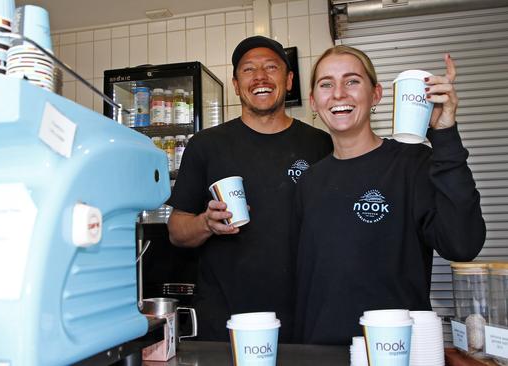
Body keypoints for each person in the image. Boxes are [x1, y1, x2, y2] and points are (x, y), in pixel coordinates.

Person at [291, 45, 486, 345]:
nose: (339, 93)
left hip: (397, 350)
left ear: (376, 95)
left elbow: (462, 244)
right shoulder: (310, 181)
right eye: (326, 84)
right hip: (322, 352)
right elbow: (307, 284)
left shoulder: (413, 164)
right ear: (314, 102)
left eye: (352, 81)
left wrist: (445, 133)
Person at [166, 36, 333, 342]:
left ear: (289, 79)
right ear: (235, 83)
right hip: (224, 320)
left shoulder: (320, 144)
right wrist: (206, 223)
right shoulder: (206, 145)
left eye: (271, 67)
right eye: (248, 69)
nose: (260, 76)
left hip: (303, 316)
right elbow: (176, 230)